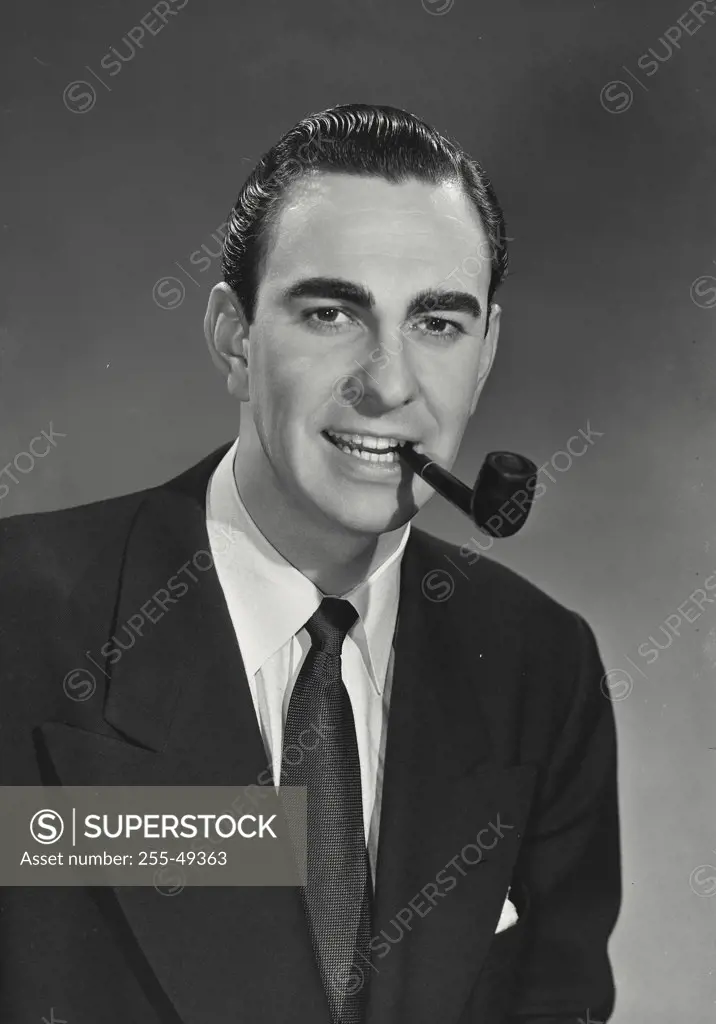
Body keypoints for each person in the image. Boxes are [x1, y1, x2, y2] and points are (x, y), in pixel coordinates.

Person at [0, 103, 621, 1024]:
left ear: (487, 350)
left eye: (438, 323)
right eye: (331, 312)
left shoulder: (542, 665)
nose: (389, 382)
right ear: (233, 336)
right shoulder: (19, 617)